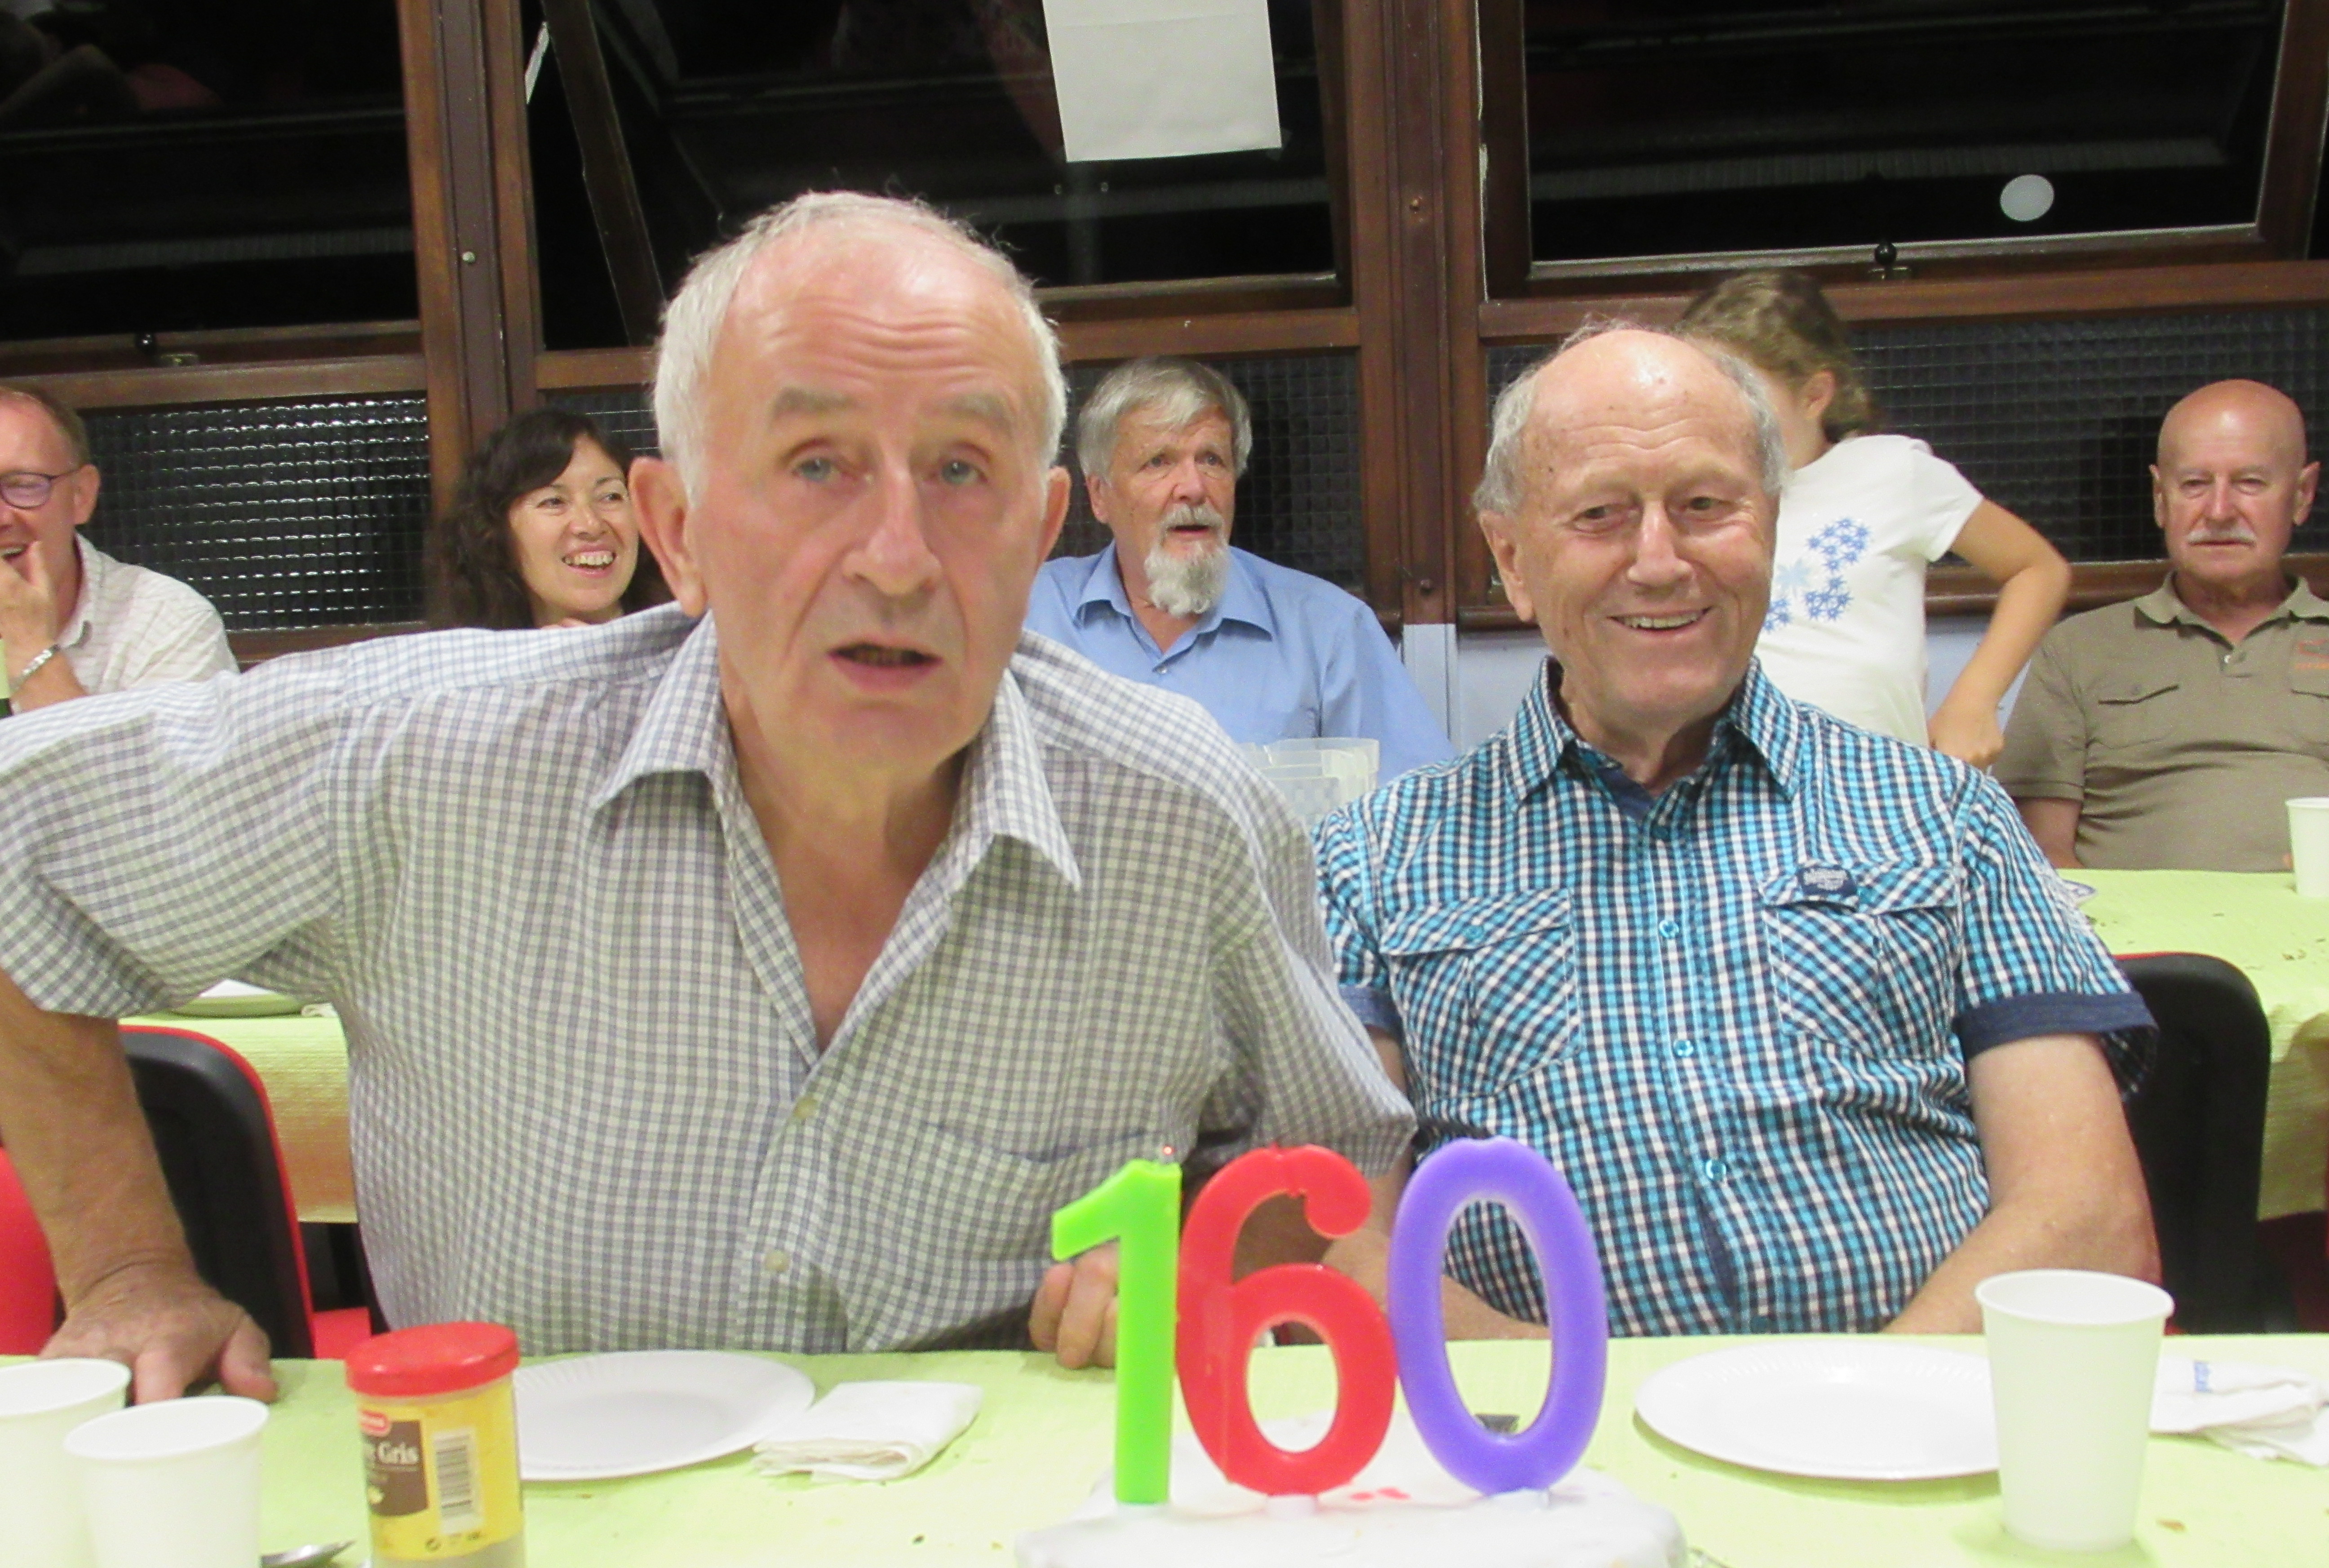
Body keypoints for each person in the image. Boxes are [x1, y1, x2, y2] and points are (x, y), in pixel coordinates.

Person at [0, 192, 1409, 1401]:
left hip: (1005, 1560)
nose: (899, 557)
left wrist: (1204, 1254)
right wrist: (126, 1273)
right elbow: (23, 851)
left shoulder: (1177, 810)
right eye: (817, 467)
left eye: (961, 471)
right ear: (677, 532)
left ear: (1040, 533)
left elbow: (1322, 1158)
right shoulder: (425, 758)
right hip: (536, 1554)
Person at [1314, 323, 2159, 1338]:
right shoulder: (1374, 858)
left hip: (1917, 1413)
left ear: (1770, 527)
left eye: (1704, 506)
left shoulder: (1946, 818)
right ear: (1512, 558)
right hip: (1543, 1427)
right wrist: (1578, 1403)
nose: (1658, 561)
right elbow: (1337, 1244)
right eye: (1598, 514)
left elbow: (2086, 1216)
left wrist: (1854, 1400)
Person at [1676, 271, 2070, 767]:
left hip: (1877, 781)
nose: (1723, 416)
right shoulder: (1687, 495)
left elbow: (2036, 569)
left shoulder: (1894, 471)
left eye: (1745, 396)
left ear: (1814, 396)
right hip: (1731, 777)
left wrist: (1974, 700)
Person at [1026, 357, 1453, 780]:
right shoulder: (1028, 619)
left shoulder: (1327, 631)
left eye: (1212, 460)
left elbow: (1421, 806)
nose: (1193, 488)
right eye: (1159, 462)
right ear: (1099, 496)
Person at [1998, 380, 2327, 872]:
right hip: (2126, 921)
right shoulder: (2079, 649)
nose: (2219, 512)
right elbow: (2038, 851)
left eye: (2250, 483)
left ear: (2301, 496)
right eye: (2194, 484)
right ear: (2160, 498)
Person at [0, 382, 235, 715]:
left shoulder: (167, 623)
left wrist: (30, 648)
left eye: (23, 486)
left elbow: (150, 755)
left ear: (81, 496)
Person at [429, 406, 670, 630]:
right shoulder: (467, 659)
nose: (590, 525)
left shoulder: (688, 644)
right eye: (554, 502)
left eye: (610, 497)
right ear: (495, 532)